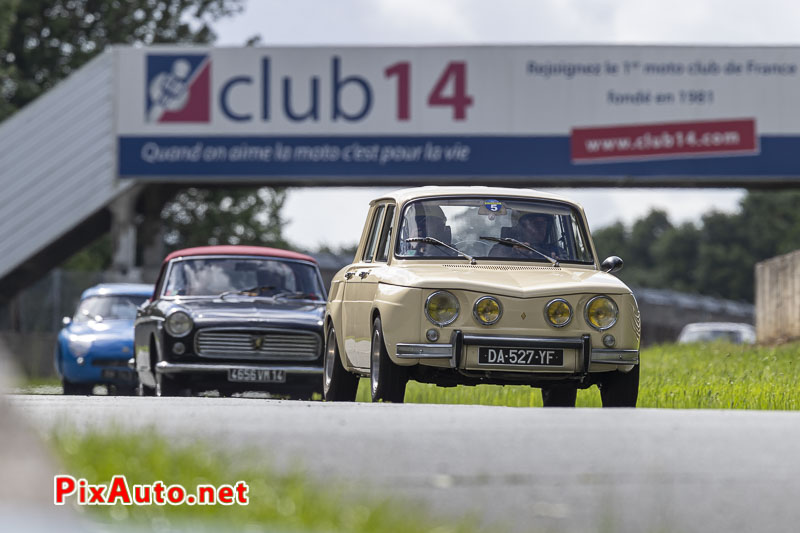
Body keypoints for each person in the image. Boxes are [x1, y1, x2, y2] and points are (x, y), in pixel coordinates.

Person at [490, 212, 560, 259]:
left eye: (544, 223)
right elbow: (491, 261)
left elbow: (566, 266)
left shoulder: (556, 250)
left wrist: (553, 258)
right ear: (522, 227)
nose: (540, 228)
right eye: (535, 223)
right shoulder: (505, 247)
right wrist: (513, 252)